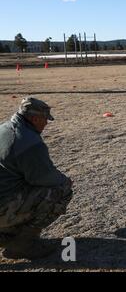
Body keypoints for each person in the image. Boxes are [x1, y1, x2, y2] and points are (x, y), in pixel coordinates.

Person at [0, 98, 73, 260]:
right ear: (34, 119)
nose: (46, 123)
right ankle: (23, 244)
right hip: (3, 205)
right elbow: (46, 179)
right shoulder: (28, 141)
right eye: (45, 119)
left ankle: (5, 234)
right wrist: (64, 179)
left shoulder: (4, 128)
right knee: (62, 189)